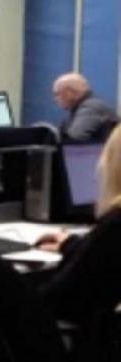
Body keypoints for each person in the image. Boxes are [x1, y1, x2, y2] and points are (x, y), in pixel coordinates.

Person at [36, 123, 121, 324]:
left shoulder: (116, 223)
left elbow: (62, 298)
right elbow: (103, 257)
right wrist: (70, 244)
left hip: (71, 330)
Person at [53, 73, 118, 142]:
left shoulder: (91, 108)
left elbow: (74, 140)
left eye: (57, 94)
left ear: (70, 92)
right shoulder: (80, 109)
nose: (55, 99)